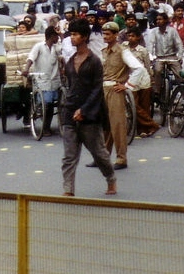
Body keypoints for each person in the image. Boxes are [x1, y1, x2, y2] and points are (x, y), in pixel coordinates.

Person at [59, 18, 116, 197]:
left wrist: (83, 110)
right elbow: (69, 86)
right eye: (71, 34)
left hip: (90, 115)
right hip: (69, 112)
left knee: (99, 153)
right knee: (69, 156)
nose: (72, 37)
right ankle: (68, 189)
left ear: (84, 37)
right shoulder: (70, 61)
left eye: (75, 34)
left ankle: (110, 178)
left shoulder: (94, 61)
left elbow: (97, 89)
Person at [99, 21, 147, 170]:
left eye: (108, 34)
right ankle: (103, 156)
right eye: (104, 34)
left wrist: (127, 86)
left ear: (115, 35)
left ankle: (121, 158)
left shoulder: (123, 51)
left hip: (115, 89)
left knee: (118, 125)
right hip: (103, 89)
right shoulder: (104, 51)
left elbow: (139, 68)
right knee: (105, 125)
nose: (105, 37)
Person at [21, 28, 63, 136]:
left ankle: (49, 126)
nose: (57, 38)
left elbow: (65, 50)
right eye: (56, 36)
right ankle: (45, 127)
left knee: (57, 103)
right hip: (42, 80)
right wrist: (26, 69)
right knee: (47, 103)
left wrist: (61, 35)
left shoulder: (56, 47)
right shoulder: (39, 46)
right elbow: (31, 58)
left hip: (54, 80)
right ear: (51, 36)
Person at [123, 27, 158, 138]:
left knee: (144, 106)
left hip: (143, 79)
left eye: (133, 36)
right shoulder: (124, 48)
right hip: (130, 79)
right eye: (129, 36)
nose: (130, 38)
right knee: (134, 105)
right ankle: (152, 124)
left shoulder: (142, 50)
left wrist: (151, 79)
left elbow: (147, 66)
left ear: (138, 38)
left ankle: (144, 129)